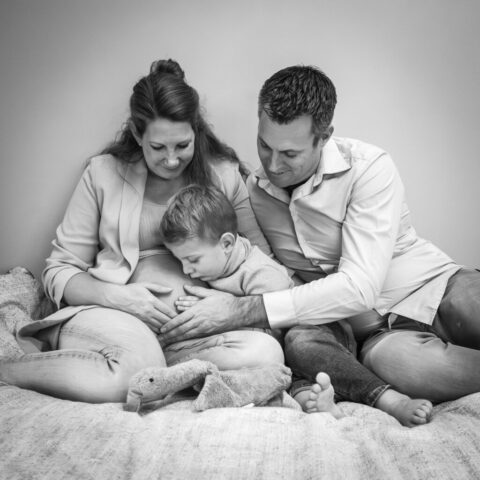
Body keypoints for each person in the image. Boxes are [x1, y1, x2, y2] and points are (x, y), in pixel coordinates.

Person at [159, 64, 477, 427]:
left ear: (324, 137)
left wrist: (241, 309)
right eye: (264, 145)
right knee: (401, 365)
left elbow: (360, 287)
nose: (273, 164)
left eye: (290, 154)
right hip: (375, 336)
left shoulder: (369, 168)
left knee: (470, 305)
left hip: (437, 284)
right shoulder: (256, 192)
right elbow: (252, 264)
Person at [0, 59, 284, 404]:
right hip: (116, 319)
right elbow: (59, 271)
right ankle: (8, 370)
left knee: (267, 353)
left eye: (182, 145)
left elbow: (260, 260)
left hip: (192, 338)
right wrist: (118, 297)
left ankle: (166, 376)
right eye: (157, 148)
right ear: (137, 135)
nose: (171, 159)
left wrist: (230, 307)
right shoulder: (103, 174)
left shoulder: (223, 175)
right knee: (137, 367)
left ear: (196, 131)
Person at [160, 183, 344, 419]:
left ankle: (320, 402)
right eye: (180, 260)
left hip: (296, 344)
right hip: (257, 355)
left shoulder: (262, 275)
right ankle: (312, 403)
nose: (186, 269)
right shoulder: (212, 264)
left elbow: (276, 333)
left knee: (293, 375)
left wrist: (228, 307)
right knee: (292, 388)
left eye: (193, 260)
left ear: (227, 244)